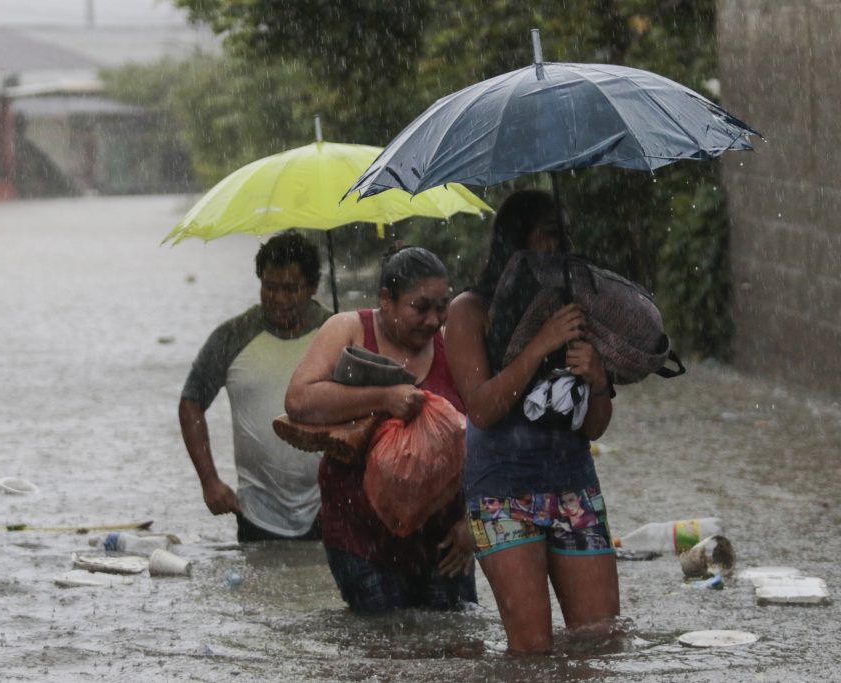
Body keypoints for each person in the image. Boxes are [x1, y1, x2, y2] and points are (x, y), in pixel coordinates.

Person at [445, 189, 619, 653]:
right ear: (516, 243)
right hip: (503, 495)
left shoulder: (578, 312)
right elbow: (480, 408)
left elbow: (594, 427)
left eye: (567, 235)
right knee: (532, 652)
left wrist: (599, 380)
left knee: (600, 643)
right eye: (549, 235)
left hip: (573, 488)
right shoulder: (470, 311)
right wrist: (540, 344)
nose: (562, 247)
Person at [285, 246, 476, 613]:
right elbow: (298, 399)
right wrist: (384, 398)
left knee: (456, 651)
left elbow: (483, 432)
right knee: (381, 650)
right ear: (385, 299)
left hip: (444, 539)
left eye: (442, 306)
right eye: (420, 308)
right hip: (359, 534)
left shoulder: (453, 342)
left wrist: (472, 522)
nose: (433, 320)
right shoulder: (349, 329)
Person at [179, 230, 332, 542]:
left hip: (330, 507)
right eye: (269, 287)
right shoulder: (232, 337)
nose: (278, 299)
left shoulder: (337, 333)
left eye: (291, 289)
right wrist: (210, 482)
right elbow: (191, 403)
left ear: (314, 286)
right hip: (257, 513)